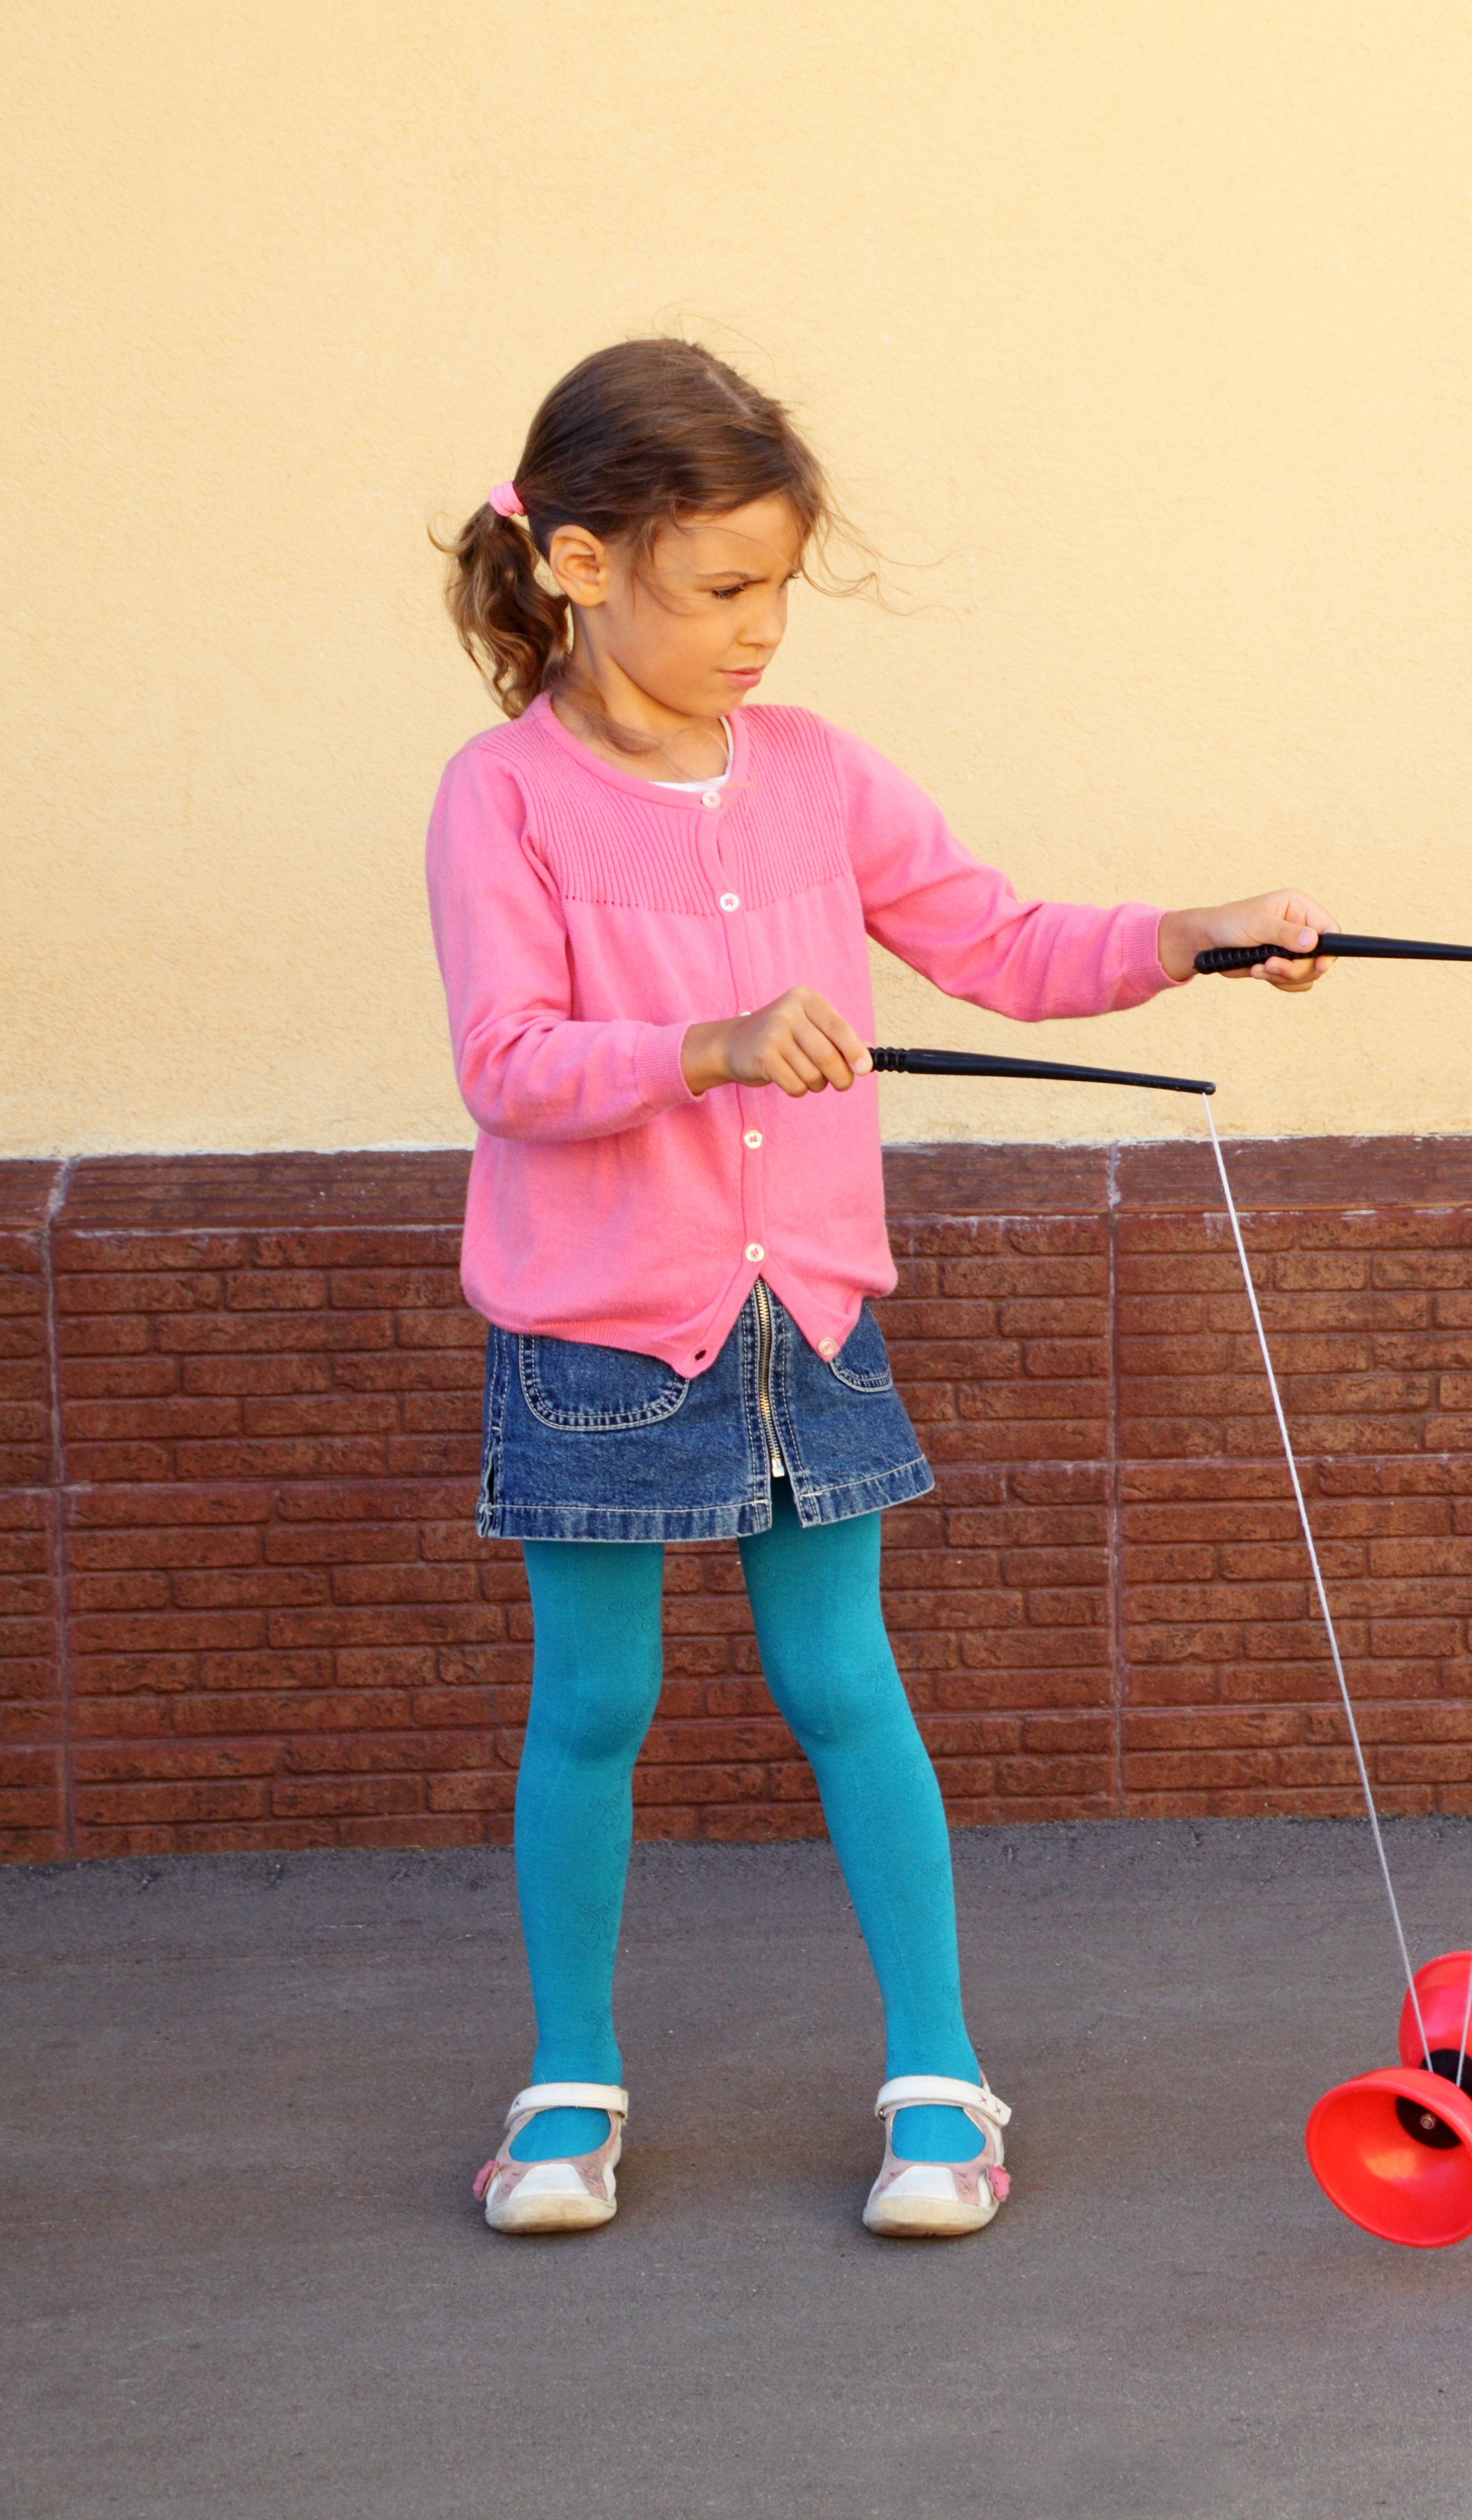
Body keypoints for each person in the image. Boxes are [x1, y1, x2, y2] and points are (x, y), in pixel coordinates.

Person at [429, 338, 1330, 2234]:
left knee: (846, 1682)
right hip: (597, 1336)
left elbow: (994, 941)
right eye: (724, 589)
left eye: (780, 585)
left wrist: (1191, 937)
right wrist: (713, 1043)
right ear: (583, 568)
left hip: (808, 1314)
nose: (764, 631)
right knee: (594, 1703)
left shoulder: (820, 774)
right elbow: (507, 1064)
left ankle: (940, 2081)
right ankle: (568, 2084)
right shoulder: (499, 797)